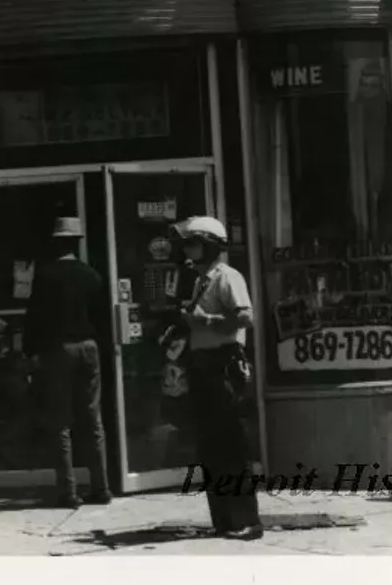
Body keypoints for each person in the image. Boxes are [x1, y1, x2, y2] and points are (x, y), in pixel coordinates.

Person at [172, 216, 262, 541]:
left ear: (208, 245)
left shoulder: (227, 277)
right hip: (204, 367)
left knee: (231, 447)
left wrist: (205, 320)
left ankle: (247, 520)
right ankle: (224, 519)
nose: (188, 249)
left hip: (224, 364)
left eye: (193, 243)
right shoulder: (200, 280)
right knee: (211, 447)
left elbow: (246, 318)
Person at [22, 217, 112, 510]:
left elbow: (34, 317)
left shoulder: (45, 276)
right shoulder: (92, 275)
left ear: (55, 243)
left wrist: (29, 350)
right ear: (76, 243)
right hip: (89, 347)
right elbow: (102, 318)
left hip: (58, 350)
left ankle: (69, 491)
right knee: (92, 419)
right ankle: (101, 487)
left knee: (60, 422)